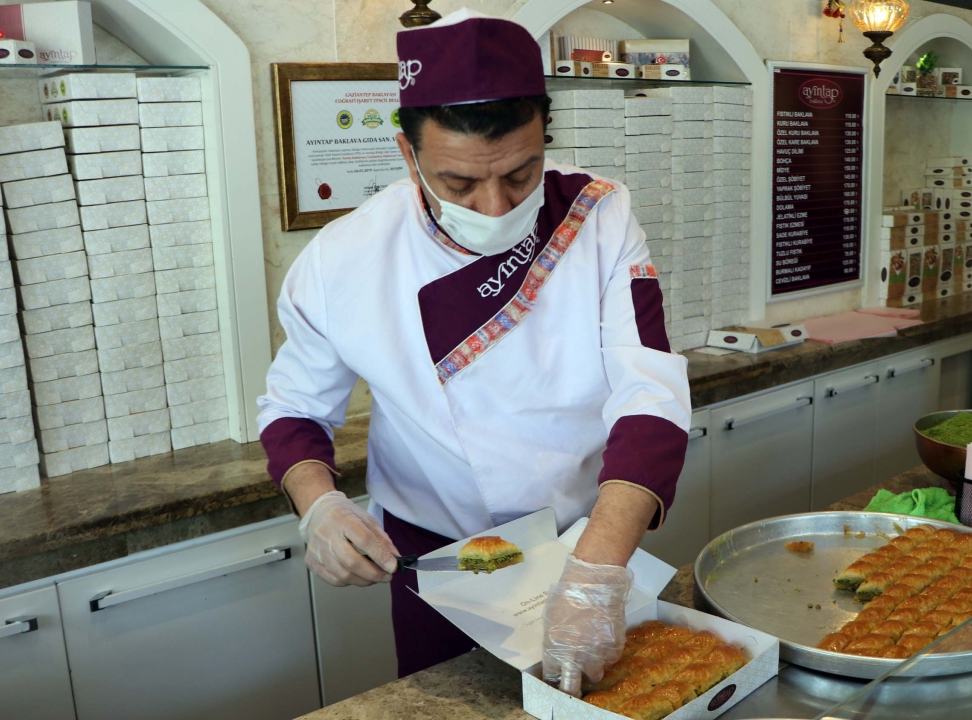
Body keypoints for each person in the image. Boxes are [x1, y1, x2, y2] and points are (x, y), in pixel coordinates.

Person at [255, 9, 691, 693]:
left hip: (584, 543)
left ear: (545, 136)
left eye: (520, 176)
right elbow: (293, 412)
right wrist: (320, 506)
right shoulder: (342, 259)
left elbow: (651, 396)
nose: (493, 207)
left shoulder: (599, 216)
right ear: (407, 154)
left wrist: (597, 576)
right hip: (435, 562)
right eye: (459, 184)